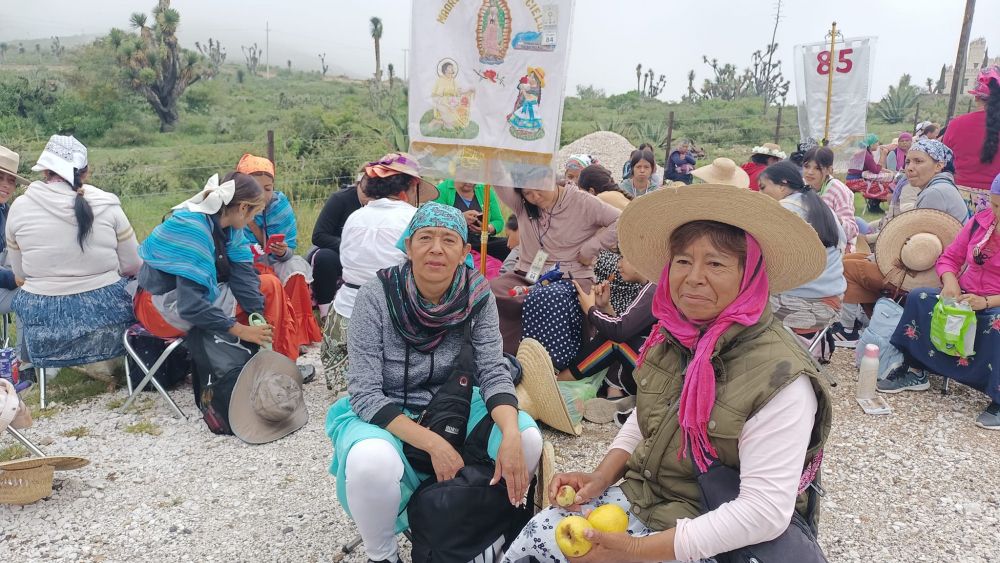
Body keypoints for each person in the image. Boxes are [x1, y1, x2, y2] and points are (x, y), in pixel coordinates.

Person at [503, 183, 832, 562]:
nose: (693, 277)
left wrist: (636, 551)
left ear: (750, 277)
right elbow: (648, 416)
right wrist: (601, 477)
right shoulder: (672, 336)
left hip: (714, 530)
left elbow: (763, 513)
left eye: (716, 263)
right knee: (539, 534)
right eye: (682, 261)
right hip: (648, 497)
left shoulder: (781, 377)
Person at [325, 203, 542, 563]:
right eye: (425, 238)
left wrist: (513, 435)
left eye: (449, 240)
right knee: (370, 463)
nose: (436, 249)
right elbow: (364, 392)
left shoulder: (477, 294)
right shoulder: (375, 295)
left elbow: (491, 371)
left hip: (454, 399)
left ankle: (483, 531)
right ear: (408, 247)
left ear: (463, 253)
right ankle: (383, 554)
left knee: (528, 440)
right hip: (388, 407)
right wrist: (435, 446)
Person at [7, 135, 140, 376]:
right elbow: (133, 265)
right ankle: (126, 369)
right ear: (86, 173)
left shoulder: (19, 208)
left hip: (45, 319)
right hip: (108, 314)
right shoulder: (108, 204)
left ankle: (33, 370)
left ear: (45, 170)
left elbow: (21, 274)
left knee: (25, 296)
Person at [879, 173, 1000, 429]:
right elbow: (949, 258)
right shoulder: (981, 222)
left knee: (996, 322)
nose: (997, 212)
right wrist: (950, 281)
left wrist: (987, 302)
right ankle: (916, 370)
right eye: (995, 204)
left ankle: (998, 398)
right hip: (965, 294)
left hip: (994, 302)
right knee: (919, 297)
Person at [322, 153, 439, 392]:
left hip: (344, 314)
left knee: (354, 392)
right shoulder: (413, 218)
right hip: (391, 315)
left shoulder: (355, 217)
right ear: (412, 185)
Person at [490, 168, 620, 355]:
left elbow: (620, 220)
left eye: (539, 189)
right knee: (492, 291)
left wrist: (590, 248)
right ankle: (500, 356)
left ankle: (548, 363)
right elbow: (498, 174)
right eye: (528, 193)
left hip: (571, 277)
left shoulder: (582, 201)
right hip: (528, 274)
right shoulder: (523, 204)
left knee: (549, 297)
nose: (535, 196)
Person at [236, 154, 320, 357]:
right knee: (265, 281)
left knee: (295, 269)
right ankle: (268, 335)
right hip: (245, 265)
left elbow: (289, 247)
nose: (264, 195)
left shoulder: (280, 206)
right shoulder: (232, 207)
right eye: (257, 188)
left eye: (268, 188)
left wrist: (283, 251)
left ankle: (296, 336)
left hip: (275, 261)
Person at [557, 256, 655, 424]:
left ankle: (560, 381)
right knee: (616, 338)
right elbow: (625, 330)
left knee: (615, 341)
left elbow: (619, 332)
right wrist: (604, 307)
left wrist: (591, 309)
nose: (619, 263)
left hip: (662, 378)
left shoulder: (654, 288)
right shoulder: (652, 287)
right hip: (660, 373)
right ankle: (618, 395)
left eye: (625, 257)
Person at [759, 162, 846, 335]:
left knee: (741, 305)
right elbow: (842, 242)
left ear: (783, 185)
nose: (760, 194)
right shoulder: (818, 205)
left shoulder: (785, 210)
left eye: (763, 187)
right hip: (833, 300)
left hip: (805, 303)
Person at [941, 66, 1000, 213]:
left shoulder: (956, 124)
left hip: (958, 201)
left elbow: (943, 159)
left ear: (976, 97)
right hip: (995, 204)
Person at [309, 177, 368, 318]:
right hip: (338, 251)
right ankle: (325, 312)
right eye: (366, 189)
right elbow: (318, 235)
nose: (369, 194)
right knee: (325, 258)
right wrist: (349, 245)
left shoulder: (383, 204)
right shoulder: (340, 199)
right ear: (358, 184)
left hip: (366, 252)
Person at [433, 178, 508, 260]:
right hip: (453, 242)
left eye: (473, 177)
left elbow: (498, 221)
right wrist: (459, 218)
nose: (470, 182)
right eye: (466, 177)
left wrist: (488, 228)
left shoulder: (485, 190)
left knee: (508, 245)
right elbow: (435, 220)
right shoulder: (441, 190)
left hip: (482, 241)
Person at [803, 146, 860, 252]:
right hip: (809, 243)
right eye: (807, 166)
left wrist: (832, 219)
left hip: (836, 246)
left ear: (829, 170)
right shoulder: (802, 187)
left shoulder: (838, 190)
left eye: (817, 168)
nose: (810, 172)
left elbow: (852, 230)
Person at [0, 145, 28, 319]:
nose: (5, 185)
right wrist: (13, 279)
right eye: (0, 178)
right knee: (31, 298)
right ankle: (24, 348)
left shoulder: (7, 209)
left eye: (11, 180)